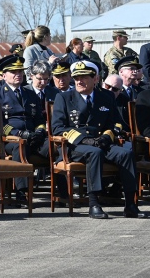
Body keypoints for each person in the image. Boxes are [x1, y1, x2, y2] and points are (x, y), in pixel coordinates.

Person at [51, 60, 145, 219]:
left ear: (94, 79)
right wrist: (84, 140)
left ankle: (130, 204)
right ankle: (94, 204)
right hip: (75, 146)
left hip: (101, 141)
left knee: (126, 154)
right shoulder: (64, 97)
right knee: (94, 153)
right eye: (76, 77)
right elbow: (58, 128)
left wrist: (107, 137)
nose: (79, 81)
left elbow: (116, 122)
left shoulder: (105, 96)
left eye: (84, 77)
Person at [0, 55, 49, 205]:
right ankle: (22, 192)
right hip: (10, 139)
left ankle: (64, 191)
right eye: (14, 72)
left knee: (55, 147)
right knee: (20, 146)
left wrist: (40, 131)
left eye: (20, 71)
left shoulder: (30, 93)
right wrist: (19, 134)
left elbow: (39, 120)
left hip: (34, 136)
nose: (18, 75)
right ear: (4, 75)